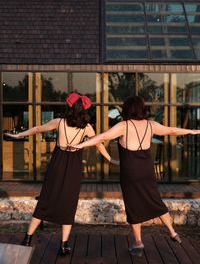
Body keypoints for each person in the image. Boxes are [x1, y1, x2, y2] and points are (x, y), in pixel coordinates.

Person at [71, 95, 200, 257]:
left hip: (130, 172)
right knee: (155, 200)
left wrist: (81, 144)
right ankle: (173, 232)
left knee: (133, 205)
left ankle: (138, 243)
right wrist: (193, 131)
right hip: (147, 170)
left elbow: (102, 137)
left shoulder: (123, 126)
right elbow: (172, 130)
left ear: (127, 110)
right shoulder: (151, 125)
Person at [5, 92, 117, 256]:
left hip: (57, 164)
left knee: (45, 199)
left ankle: (27, 238)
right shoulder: (86, 127)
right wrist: (110, 159)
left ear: (70, 108)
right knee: (69, 203)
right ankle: (63, 246)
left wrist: (19, 135)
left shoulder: (59, 122)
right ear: (83, 110)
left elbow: (37, 129)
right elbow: (99, 144)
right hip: (73, 167)